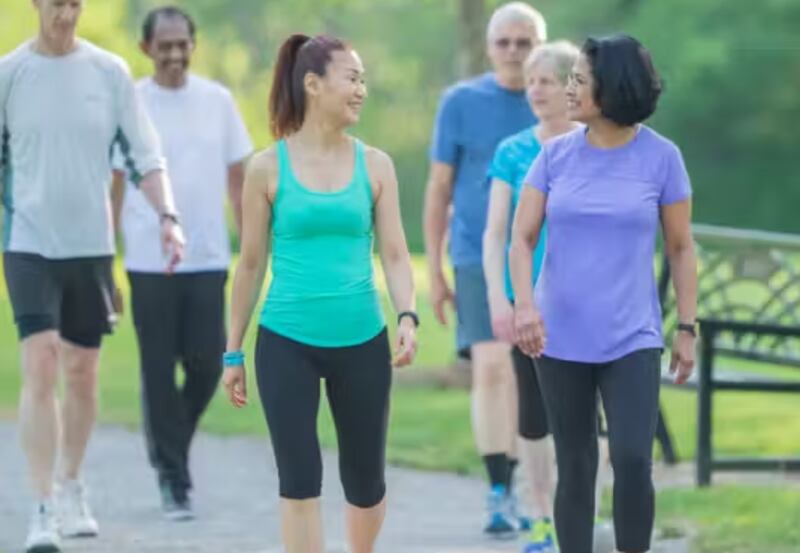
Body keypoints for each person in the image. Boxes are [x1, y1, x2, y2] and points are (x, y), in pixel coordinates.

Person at [222, 34, 417, 553]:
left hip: (362, 340)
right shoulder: (266, 167)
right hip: (287, 340)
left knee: (365, 481)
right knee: (299, 477)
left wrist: (407, 316)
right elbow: (249, 264)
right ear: (313, 84)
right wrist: (233, 350)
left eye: (363, 79)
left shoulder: (376, 165)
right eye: (351, 78)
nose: (361, 90)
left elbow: (396, 253)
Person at [0, 1, 184, 552]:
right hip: (28, 241)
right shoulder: (10, 74)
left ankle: (72, 483)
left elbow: (146, 155)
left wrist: (168, 218)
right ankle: (41, 508)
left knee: (81, 371)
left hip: (91, 248)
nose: (66, 12)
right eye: (57, 2)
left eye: (75, 2)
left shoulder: (109, 73)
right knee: (41, 363)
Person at [510, 34, 697, 553]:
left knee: (634, 458)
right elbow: (521, 239)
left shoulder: (663, 158)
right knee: (575, 463)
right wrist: (525, 305)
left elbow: (681, 248)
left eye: (579, 81)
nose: (569, 90)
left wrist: (686, 326)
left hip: (632, 336)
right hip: (558, 336)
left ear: (612, 88)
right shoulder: (554, 156)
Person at [110, 5, 253, 521]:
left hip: (208, 255)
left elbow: (239, 176)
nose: (174, 54)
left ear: (194, 45)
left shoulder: (217, 101)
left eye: (182, 44)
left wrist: (250, 238)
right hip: (149, 258)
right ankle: (174, 476)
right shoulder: (130, 103)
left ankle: (167, 444)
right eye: (164, 45)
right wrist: (109, 255)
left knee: (208, 362)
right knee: (156, 367)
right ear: (146, 48)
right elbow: (116, 183)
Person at [422, 1, 546, 537]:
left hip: (544, 257)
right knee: (493, 367)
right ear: (490, 47)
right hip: (477, 253)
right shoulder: (461, 102)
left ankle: (524, 484)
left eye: (525, 42)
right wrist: (434, 270)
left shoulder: (556, 100)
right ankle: (498, 488)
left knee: (528, 373)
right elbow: (439, 186)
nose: (514, 52)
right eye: (504, 42)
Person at [483, 40, 580, 553]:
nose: (534, 89)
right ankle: (543, 516)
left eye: (546, 80)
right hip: (529, 306)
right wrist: (500, 299)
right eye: (531, 80)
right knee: (536, 416)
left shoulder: (596, 145)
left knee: (588, 418)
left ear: (573, 86)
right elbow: (495, 232)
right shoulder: (514, 151)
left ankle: (583, 509)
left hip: (588, 306)